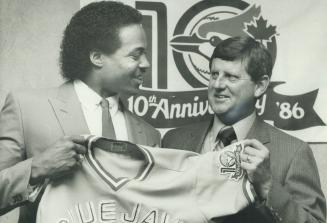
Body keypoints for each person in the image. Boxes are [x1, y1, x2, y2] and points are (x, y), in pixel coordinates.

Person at [0, 1, 160, 222]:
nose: (146, 64)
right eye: (135, 55)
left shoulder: (150, 135)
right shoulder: (25, 108)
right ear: (97, 57)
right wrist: (37, 168)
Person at [163, 36, 326, 223]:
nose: (217, 85)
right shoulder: (173, 141)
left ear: (260, 86)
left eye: (231, 77)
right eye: (214, 74)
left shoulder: (294, 153)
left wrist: (267, 185)